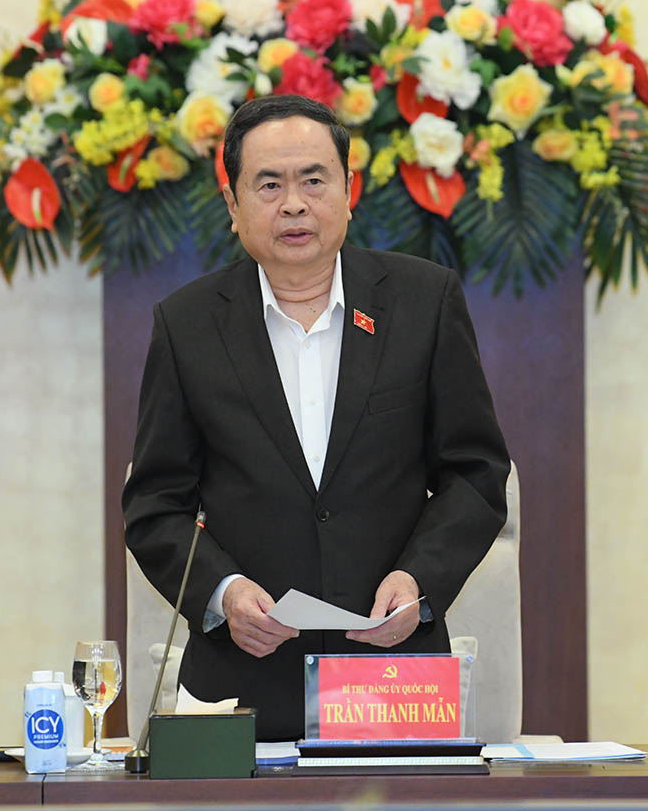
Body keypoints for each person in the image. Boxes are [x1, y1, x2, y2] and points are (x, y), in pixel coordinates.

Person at [122, 94, 510, 740]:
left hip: (392, 673)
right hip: (243, 673)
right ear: (233, 205)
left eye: (313, 180)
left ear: (349, 191)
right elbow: (157, 502)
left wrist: (420, 578)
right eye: (269, 185)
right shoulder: (187, 323)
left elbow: (475, 470)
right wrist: (222, 595)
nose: (294, 204)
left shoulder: (423, 301)